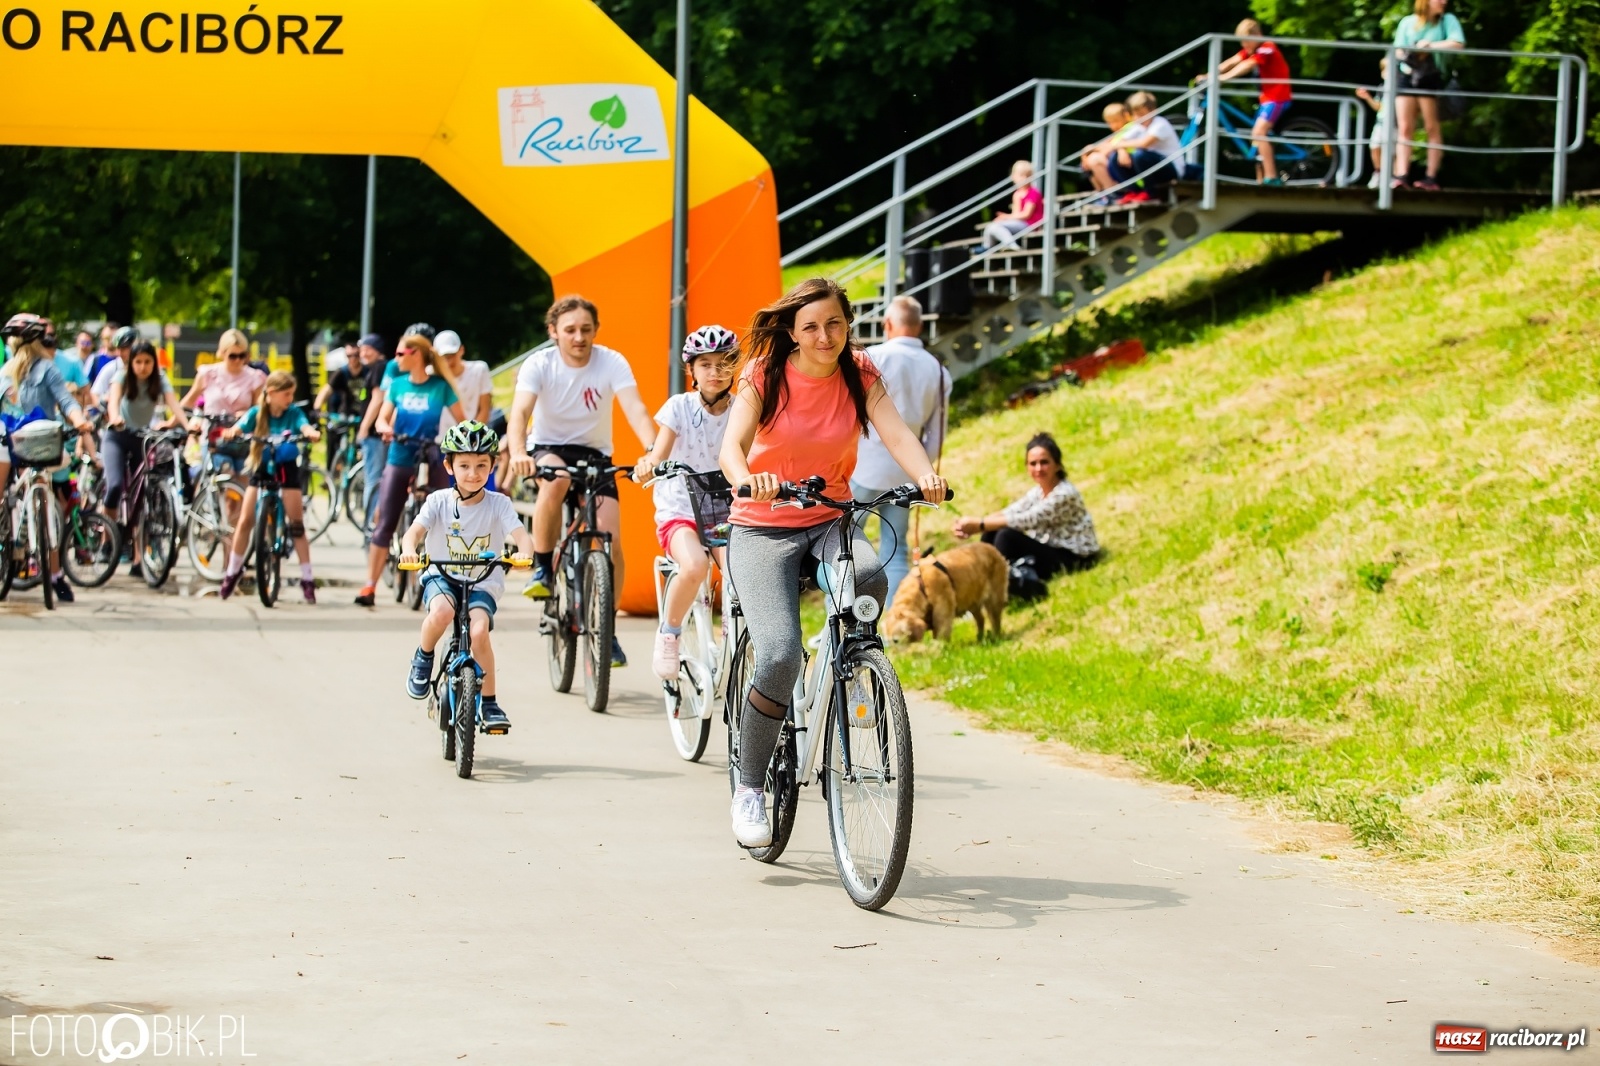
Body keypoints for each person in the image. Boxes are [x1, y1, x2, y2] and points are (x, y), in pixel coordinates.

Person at [720, 277, 948, 849]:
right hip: (763, 526)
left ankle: (849, 669)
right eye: (812, 327)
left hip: (829, 520)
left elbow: (897, 432)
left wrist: (924, 474)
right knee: (777, 654)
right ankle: (749, 787)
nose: (826, 337)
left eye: (836, 324)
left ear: (850, 325)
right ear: (793, 334)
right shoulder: (764, 373)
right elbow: (731, 446)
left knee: (868, 573)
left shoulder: (860, 371)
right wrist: (749, 478)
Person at [507, 295, 657, 669]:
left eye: (586, 330)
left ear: (596, 331)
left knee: (612, 540)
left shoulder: (611, 362)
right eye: (570, 330)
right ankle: (542, 567)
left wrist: (653, 450)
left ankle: (607, 630)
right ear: (553, 331)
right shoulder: (539, 364)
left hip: (594, 456)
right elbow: (519, 413)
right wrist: (517, 452)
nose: (578, 337)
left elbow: (635, 408)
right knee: (555, 482)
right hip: (547, 448)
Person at [400, 421, 535, 731]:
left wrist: (525, 553)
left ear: (492, 466)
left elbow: (520, 534)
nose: (473, 473)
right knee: (443, 612)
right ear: (449, 465)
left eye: (481, 465)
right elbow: (413, 534)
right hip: (443, 575)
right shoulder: (437, 502)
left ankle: (489, 702)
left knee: (478, 633)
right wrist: (409, 549)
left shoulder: (499, 503)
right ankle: (424, 655)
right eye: (464, 465)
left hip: (482, 580)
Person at [632, 324, 739, 679]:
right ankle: (669, 633)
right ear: (691, 369)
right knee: (694, 565)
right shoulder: (679, 407)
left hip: (725, 507)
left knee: (740, 570)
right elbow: (659, 452)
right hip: (680, 504)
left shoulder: (742, 409)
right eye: (705, 364)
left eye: (724, 363)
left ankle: (733, 637)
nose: (715, 371)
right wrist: (649, 464)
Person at [850, 296, 950, 600]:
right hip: (906, 473)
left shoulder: (870, 357)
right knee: (896, 549)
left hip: (862, 468)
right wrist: (922, 472)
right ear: (919, 326)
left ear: (887, 324)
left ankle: (840, 622)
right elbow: (936, 435)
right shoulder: (937, 369)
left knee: (844, 547)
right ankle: (895, 621)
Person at [355, 334, 464, 607]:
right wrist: (383, 427)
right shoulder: (398, 384)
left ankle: (444, 581)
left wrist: (461, 440)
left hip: (431, 453)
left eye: (401, 353)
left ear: (416, 354)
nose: (397, 359)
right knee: (386, 519)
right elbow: (383, 416)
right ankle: (370, 585)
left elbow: (463, 420)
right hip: (400, 453)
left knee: (442, 515)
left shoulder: (440, 386)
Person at [0, 313, 97, 603]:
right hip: (11, 442)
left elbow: (67, 402)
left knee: (48, 507)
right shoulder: (6, 372)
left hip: (42, 445)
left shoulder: (47, 369)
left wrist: (81, 421)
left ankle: (54, 575)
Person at [216, 371, 322, 603]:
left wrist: (310, 433)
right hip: (262, 467)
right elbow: (241, 425)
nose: (290, 398)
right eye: (286, 394)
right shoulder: (257, 413)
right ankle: (233, 571)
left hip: (286, 467)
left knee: (296, 525)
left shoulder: (293, 413)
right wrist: (233, 431)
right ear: (271, 394)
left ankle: (307, 579)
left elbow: (303, 425)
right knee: (245, 520)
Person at [951, 432, 1099, 580]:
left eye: (1044, 462)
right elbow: (1011, 511)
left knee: (1006, 536)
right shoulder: (1039, 491)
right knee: (993, 530)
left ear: (1058, 465)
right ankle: (985, 577)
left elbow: (1027, 520)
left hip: (1075, 558)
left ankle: (998, 582)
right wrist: (972, 525)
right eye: (1033, 464)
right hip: (1050, 548)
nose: (1039, 469)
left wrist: (980, 524)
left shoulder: (1064, 494)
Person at [102, 341, 184, 570]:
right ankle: (105, 541)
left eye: (148, 362)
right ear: (131, 363)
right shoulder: (121, 376)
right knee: (116, 486)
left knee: (142, 499)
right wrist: (115, 417)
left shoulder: (160, 378)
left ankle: (139, 558)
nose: (143, 367)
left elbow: (173, 405)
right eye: (138, 362)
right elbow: (113, 401)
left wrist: (188, 425)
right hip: (117, 436)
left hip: (143, 438)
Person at [1199, 19, 1293, 185]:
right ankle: (1260, 179)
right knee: (1255, 137)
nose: (1244, 45)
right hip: (1266, 99)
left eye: (1246, 40)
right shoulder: (1251, 49)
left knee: (1258, 133)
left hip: (1277, 98)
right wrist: (1209, 75)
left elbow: (1248, 65)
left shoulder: (1266, 47)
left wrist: (1222, 79)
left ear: (1257, 35)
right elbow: (1232, 61)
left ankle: (1272, 177)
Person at [1392, 0, 1464, 191]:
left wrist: (1430, 46)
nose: (1443, 2)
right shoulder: (1407, 22)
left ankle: (1430, 178)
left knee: (1432, 126)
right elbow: (1398, 50)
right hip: (1407, 75)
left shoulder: (1447, 21)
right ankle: (1401, 176)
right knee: (1405, 127)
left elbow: (1458, 44)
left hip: (1430, 77)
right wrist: (1413, 53)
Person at [181, 328, 267, 476]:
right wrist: (180, 423)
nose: (238, 360)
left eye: (242, 355)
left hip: (242, 440)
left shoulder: (254, 377)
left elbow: (260, 409)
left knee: (242, 487)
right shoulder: (207, 374)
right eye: (233, 356)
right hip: (214, 441)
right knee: (225, 479)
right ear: (222, 353)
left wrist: (248, 414)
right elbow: (187, 403)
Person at [1108, 91, 1188, 203]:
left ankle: (1151, 193)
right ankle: (1134, 192)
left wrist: (1120, 145)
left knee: (1140, 156)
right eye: (1135, 115)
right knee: (1115, 157)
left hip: (1171, 169)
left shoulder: (1160, 124)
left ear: (1153, 111)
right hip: (1152, 166)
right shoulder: (1139, 126)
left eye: (1141, 114)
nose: (1138, 118)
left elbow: (1144, 143)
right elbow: (1117, 142)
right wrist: (1121, 151)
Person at [349, 333, 390, 524]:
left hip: (375, 434)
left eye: (367, 349)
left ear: (378, 351)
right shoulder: (377, 368)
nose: (362, 353)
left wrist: (364, 427)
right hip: (378, 433)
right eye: (361, 349)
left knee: (373, 479)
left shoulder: (379, 368)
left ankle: (370, 526)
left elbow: (378, 398)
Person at [435, 330, 493, 433]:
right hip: (443, 440)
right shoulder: (433, 377)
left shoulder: (479, 370)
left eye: (451, 355)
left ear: (461, 350)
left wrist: (470, 436)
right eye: (444, 358)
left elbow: (485, 409)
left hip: (474, 435)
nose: (449, 362)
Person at [979, 160, 1044, 251]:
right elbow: (1016, 215)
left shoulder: (1033, 193)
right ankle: (987, 247)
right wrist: (1005, 218)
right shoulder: (1017, 194)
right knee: (991, 227)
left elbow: (1026, 215)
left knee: (995, 226)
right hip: (1021, 224)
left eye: (1017, 175)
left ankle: (1011, 246)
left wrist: (1006, 217)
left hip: (1030, 224)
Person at [1082, 102, 1137, 202]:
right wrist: (1085, 154)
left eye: (1116, 121)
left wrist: (1091, 152)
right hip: (1119, 168)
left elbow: (1108, 148)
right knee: (1090, 158)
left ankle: (1111, 194)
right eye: (1110, 122)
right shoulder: (1118, 134)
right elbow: (1104, 145)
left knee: (1095, 159)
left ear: (1125, 117)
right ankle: (1103, 192)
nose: (1113, 125)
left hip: (1127, 169)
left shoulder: (1129, 129)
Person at [1355, 58, 1392, 188]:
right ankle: (1378, 172)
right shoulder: (1382, 88)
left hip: (1395, 124)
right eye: (1386, 69)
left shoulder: (1402, 87)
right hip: (1381, 122)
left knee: (1393, 151)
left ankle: (1391, 177)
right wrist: (1367, 97)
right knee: (1375, 146)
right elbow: (1378, 107)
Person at [91, 326, 139, 406]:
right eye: (118, 349)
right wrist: (102, 403)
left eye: (124, 349)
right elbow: (94, 394)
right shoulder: (110, 368)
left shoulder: (145, 367)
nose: (120, 353)